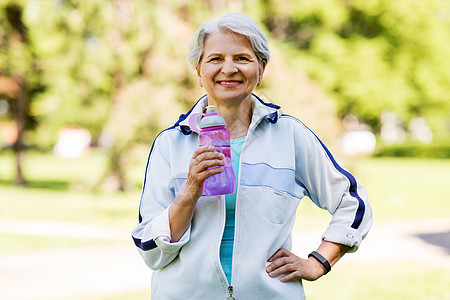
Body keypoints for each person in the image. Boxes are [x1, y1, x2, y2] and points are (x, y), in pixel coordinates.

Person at [132, 12, 372, 299]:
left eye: (242, 58)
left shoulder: (290, 136)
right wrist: (191, 189)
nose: (229, 69)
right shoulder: (171, 144)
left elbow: (352, 203)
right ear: (198, 70)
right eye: (215, 59)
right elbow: (152, 252)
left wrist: (318, 262)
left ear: (261, 69)